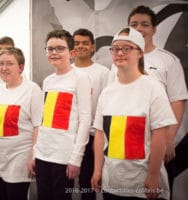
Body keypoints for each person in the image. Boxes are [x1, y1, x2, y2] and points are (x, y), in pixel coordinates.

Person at [91, 27, 177, 200]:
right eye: (115, 49)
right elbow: (100, 134)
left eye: (127, 48)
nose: (120, 53)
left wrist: (153, 176)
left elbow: (159, 135)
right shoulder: (108, 92)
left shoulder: (153, 88)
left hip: (143, 185)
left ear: (140, 53)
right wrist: (98, 170)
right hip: (112, 183)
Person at [127, 5, 188, 198]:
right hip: (128, 142)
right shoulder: (120, 60)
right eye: (134, 24)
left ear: (154, 29)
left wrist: (169, 140)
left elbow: (177, 101)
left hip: (159, 141)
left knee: (156, 192)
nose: (139, 29)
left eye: (145, 24)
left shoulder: (168, 61)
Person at [34, 29, 92, 200]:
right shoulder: (48, 81)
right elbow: (43, 121)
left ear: (72, 53)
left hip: (64, 156)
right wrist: (34, 152)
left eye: (60, 48)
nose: (54, 52)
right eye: (50, 49)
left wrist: (76, 158)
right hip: (43, 153)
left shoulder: (80, 78)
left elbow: (85, 120)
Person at [0, 47, 43, 200]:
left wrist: (33, 155)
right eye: (1, 63)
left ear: (21, 67)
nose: (4, 68)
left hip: (20, 158)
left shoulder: (32, 90)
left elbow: (39, 126)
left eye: (9, 64)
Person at [72, 28, 109, 200]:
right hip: (69, 137)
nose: (81, 46)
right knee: (65, 184)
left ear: (93, 47)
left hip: (92, 138)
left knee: (88, 186)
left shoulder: (103, 73)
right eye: (77, 43)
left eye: (85, 43)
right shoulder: (66, 72)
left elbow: (106, 107)